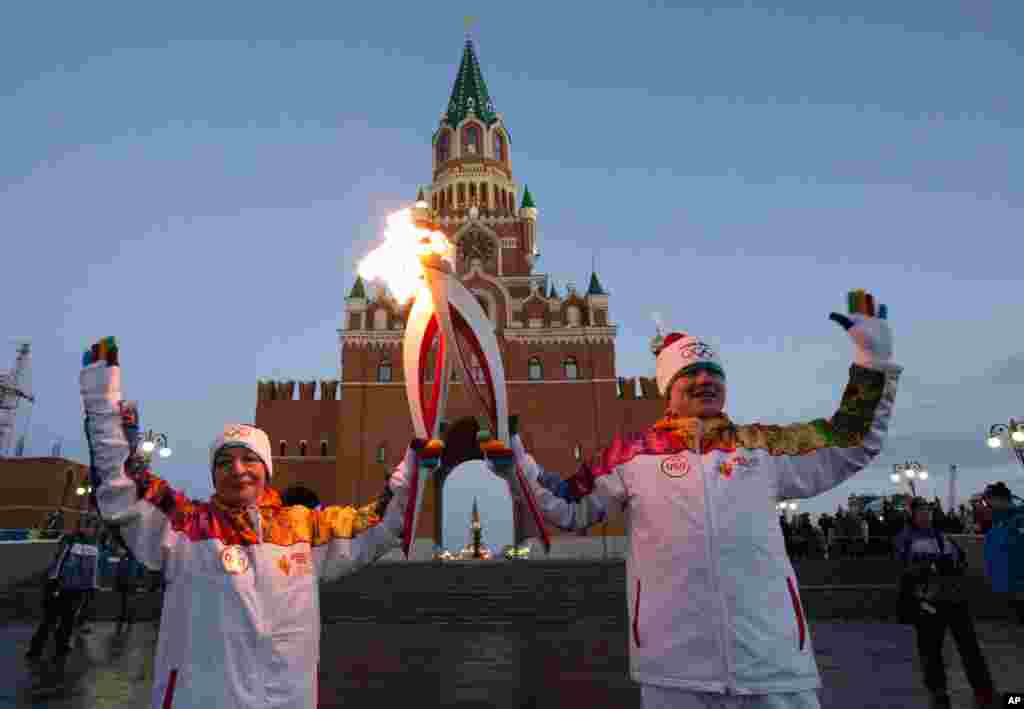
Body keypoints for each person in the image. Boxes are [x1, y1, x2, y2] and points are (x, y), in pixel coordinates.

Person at [494, 291, 900, 709]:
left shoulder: (761, 447)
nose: (705, 379)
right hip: (675, 670)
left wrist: (873, 364)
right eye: (690, 373)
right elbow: (567, 505)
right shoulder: (631, 455)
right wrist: (517, 468)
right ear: (667, 390)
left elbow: (851, 441)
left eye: (713, 372)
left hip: (772, 665)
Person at [80, 337, 412, 708]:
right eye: (224, 463)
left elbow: (378, 525)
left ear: (266, 468)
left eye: (248, 459)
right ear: (214, 475)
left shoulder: (305, 529)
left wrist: (410, 476)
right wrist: (103, 408)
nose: (237, 470)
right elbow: (122, 490)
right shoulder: (185, 526)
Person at [895, 497, 997, 708]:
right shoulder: (905, 538)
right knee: (931, 652)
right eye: (921, 513)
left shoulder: (943, 537)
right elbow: (904, 568)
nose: (926, 516)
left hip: (954, 599)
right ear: (912, 516)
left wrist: (954, 565)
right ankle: (939, 695)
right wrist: (930, 567)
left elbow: (961, 559)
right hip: (928, 603)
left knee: (970, 648)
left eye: (928, 512)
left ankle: (984, 692)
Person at [26, 514, 103, 661]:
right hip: (61, 586)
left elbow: (93, 569)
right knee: (49, 620)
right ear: (82, 527)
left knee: (68, 621)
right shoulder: (69, 540)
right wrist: (53, 581)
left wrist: (92, 586)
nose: (90, 529)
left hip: (77, 590)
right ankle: (35, 650)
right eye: (87, 526)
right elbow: (59, 561)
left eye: (92, 527)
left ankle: (60, 649)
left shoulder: (94, 545)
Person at [982, 482, 1024, 625]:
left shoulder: (1018, 520)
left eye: (988, 501)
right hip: (1007, 589)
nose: (986, 505)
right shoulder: (997, 523)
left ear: (1000, 499)